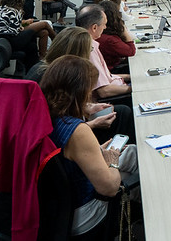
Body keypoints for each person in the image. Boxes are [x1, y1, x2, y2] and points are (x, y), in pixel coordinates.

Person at [39, 55, 138, 236]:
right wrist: (112, 161)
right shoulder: (77, 130)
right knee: (134, 158)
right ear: (79, 91)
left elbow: (65, 157)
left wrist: (97, 152)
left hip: (55, 208)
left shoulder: (42, 114)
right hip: (84, 214)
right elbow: (109, 188)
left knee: (131, 152)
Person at [30, 26, 137, 145]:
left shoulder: (44, 68)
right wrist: (93, 124)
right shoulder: (57, 78)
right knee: (123, 115)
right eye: (90, 49)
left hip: (72, 125)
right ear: (78, 53)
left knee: (122, 112)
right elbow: (57, 128)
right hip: (64, 139)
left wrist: (87, 107)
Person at [76, 5, 131, 101]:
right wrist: (134, 88)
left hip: (117, 85)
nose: (105, 27)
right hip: (110, 98)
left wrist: (129, 77)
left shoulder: (89, 42)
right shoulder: (89, 49)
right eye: (104, 24)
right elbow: (104, 91)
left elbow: (106, 77)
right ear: (94, 27)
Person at [0, 0, 43, 66]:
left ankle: (35, 64)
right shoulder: (13, 11)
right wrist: (21, 28)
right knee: (36, 29)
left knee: (33, 45)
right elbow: (15, 32)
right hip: (9, 40)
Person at [97, 0, 136, 71]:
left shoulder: (104, 34)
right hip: (114, 70)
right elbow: (131, 51)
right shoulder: (109, 39)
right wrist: (122, 28)